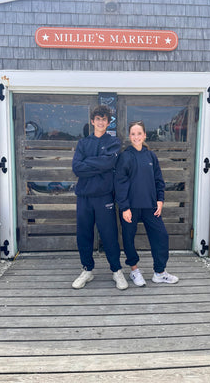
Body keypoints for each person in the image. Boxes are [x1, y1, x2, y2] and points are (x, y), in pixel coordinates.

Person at [114, 120, 179, 287]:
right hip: (131, 207)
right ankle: (134, 270)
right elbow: (119, 183)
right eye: (133, 134)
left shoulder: (151, 156)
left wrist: (160, 199)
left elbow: (159, 180)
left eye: (139, 133)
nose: (136, 137)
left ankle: (159, 272)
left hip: (150, 206)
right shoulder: (125, 157)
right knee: (128, 238)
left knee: (161, 236)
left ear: (144, 135)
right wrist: (124, 207)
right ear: (130, 136)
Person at [72, 105, 128, 290]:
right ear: (92, 121)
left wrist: (88, 162)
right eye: (98, 119)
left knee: (109, 235)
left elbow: (109, 162)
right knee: (84, 235)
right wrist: (99, 165)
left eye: (104, 119)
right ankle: (87, 270)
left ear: (108, 122)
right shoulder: (83, 143)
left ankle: (116, 271)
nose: (101, 122)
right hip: (84, 197)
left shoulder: (113, 142)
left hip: (104, 197)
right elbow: (76, 168)